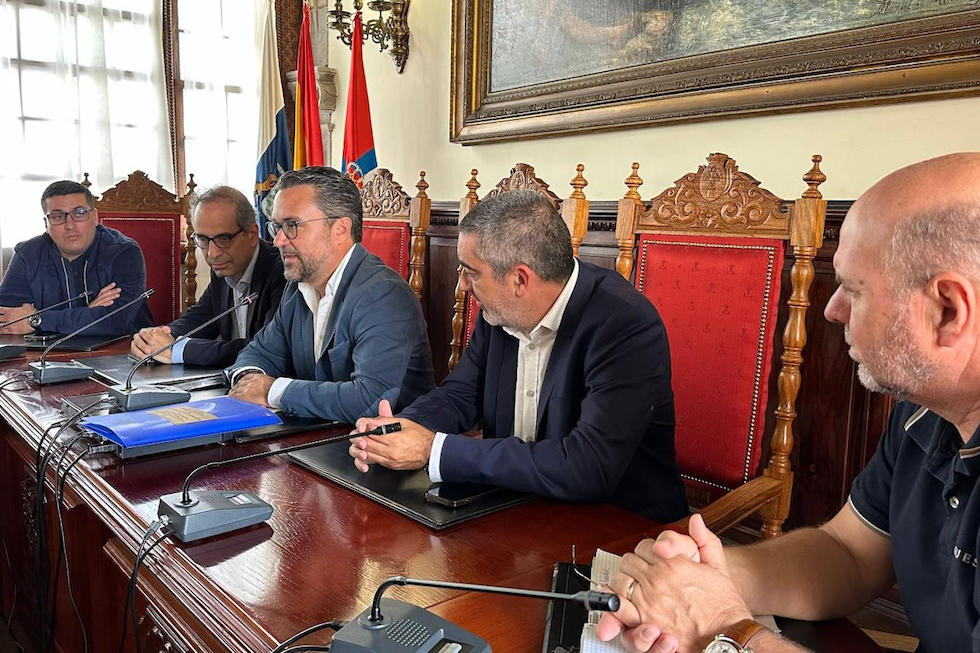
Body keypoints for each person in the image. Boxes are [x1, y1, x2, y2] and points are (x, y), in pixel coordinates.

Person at [597, 152, 980, 653]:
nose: (832, 309)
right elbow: (849, 553)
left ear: (948, 311)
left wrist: (726, 631)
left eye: (852, 289)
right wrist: (706, 573)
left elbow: (724, 627)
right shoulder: (927, 407)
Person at [349, 189, 687, 522]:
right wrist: (397, 429)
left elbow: (589, 466)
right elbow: (461, 394)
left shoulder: (625, 325)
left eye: (471, 272)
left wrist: (432, 449)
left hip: (617, 526)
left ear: (520, 279)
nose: (464, 285)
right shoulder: (502, 308)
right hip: (512, 504)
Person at [226, 166, 434, 424]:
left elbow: (370, 400)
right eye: (277, 226)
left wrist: (271, 390)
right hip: (316, 437)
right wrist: (250, 380)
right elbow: (259, 353)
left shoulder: (384, 294)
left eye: (292, 225)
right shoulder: (298, 287)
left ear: (340, 229)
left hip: (381, 451)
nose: (278, 240)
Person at [130, 186, 286, 368]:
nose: (212, 253)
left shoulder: (281, 271)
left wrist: (179, 350)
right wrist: (157, 337)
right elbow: (199, 319)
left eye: (223, 239)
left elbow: (265, 349)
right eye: (203, 240)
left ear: (252, 235)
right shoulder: (223, 267)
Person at [0, 180, 152, 336]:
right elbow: (7, 319)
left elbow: (116, 321)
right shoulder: (27, 254)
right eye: (58, 216)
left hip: (121, 351)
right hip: (42, 353)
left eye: (79, 213)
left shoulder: (123, 251)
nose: (70, 225)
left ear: (94, 217)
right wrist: (89, 315)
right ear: (46, 224)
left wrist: (37, 320)